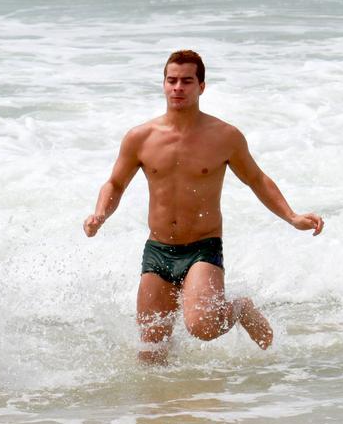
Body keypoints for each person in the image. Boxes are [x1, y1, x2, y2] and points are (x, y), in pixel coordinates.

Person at [83, 50, 324, 365]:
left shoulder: (224, 136)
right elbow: (114, 183)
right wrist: (100, 214)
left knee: (202, 326)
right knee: (151, 354)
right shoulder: (140, 138)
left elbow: (256, 179)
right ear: (164, 84)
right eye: (171, 81)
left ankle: (239, 308)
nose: (178, 88)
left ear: (202, 86)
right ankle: (171, 410)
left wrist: (292, 217)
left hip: (202, 248)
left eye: (186, 81)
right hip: (157, 250)